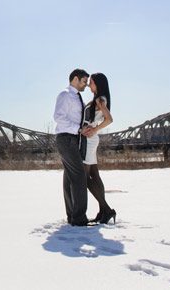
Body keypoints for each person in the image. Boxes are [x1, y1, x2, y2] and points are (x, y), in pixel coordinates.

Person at [53, 68, 90, 226]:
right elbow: (58, 117)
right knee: (79, 176)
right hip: (66, 139)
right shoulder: (65, 95)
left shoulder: (77, 97)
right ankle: (79, 219)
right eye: (84, 81)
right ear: (75, 79)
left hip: (72, 139)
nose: (86, 85)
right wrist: (78, 129)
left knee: (69, 178)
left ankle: (72, 217)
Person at [80, 72, 116, 224]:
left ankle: (107, 210)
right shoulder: (99, 99)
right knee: (94, 175)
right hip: (91, 139)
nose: (89, 84)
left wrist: (94, 129)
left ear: (98, 84)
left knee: (86, 178)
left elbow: (109, 119)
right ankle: (103, 212)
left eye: (92, 82)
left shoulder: (100, 99)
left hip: (90, 140)